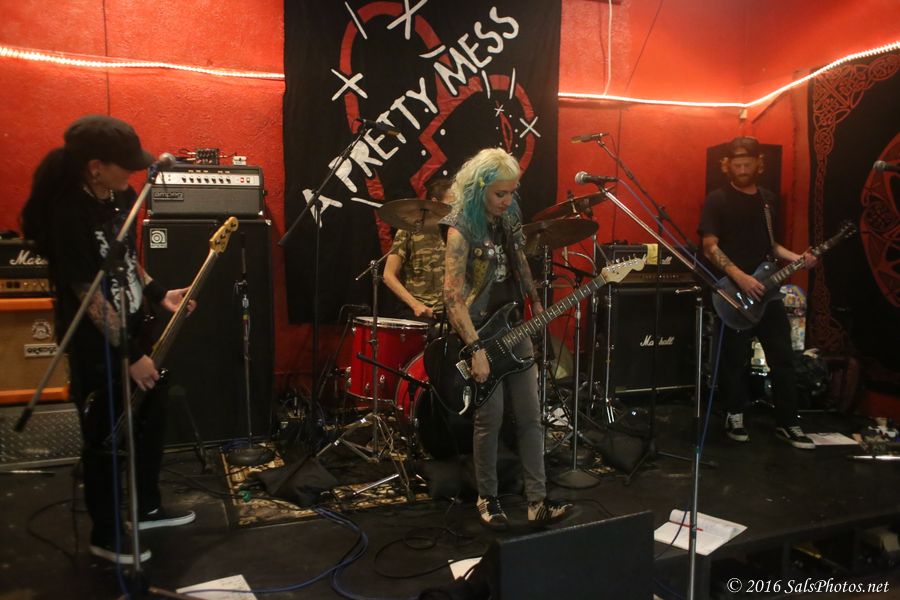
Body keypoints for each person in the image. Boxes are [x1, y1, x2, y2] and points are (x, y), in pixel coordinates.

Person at [20, 115, 197, 565]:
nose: (134, 173)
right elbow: (88, 294)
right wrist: (130, 355)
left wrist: (158, 294)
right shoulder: (66, 214)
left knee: (149, 422)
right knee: (106, 437)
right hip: (97, 345)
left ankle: (146, 509)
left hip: (135, 327)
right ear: (95, 167)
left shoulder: (122, 198)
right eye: (125, 165)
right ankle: (107, 533)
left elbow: (127, 259)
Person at [440, 148, 574, 529]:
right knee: (490, 419)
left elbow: (521, 264)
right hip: (481, 331)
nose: (507, 200)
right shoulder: (460, 227)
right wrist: (475, 349)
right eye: (500, 193)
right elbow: (451, 297)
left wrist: (537, 305)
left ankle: (537, 501)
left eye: (512, 192)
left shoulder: (510, 218)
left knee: (531, 417)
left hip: (515, 326)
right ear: (480, 188)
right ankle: (488, 497)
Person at [699, 136, 817, 450]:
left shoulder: (767, 200)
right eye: (736, 164)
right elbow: (709, 246)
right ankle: (734, 415)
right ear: (727, 166)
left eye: (747, 164)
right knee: (734, 359)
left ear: (758, 164)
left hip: (768, 291)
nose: (742, 170)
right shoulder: (717, 199)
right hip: (734, 292)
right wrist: (741, 278)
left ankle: (788, 422)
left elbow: (772, 245)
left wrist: (798, 258)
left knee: (783, 357)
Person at [383, 178, 452, 322]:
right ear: (434, 202)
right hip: (418, 311)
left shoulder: (458, 232)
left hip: (451, 312)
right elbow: (388, 275)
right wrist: (415, 305)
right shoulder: (409, 230)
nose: (456, 209)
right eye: (452, 204)